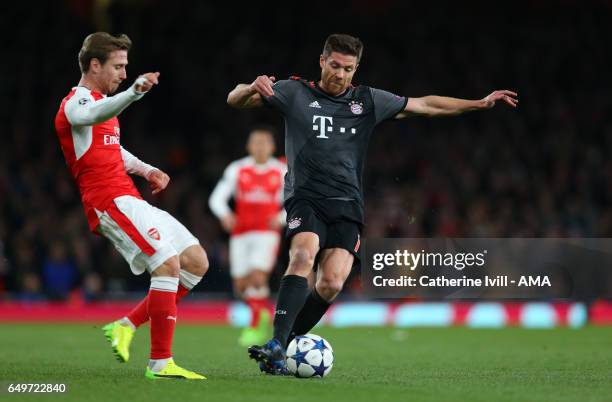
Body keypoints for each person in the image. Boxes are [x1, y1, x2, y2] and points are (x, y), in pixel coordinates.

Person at [227, 33, 518, 374]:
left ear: (356, 69)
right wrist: (250, 87)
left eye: (348, 68)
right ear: (322, 62)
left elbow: (424, 105)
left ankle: (284, 346)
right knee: (303, 254)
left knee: (332, 282)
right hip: (305, 198)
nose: (340, 74)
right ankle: (277, 343)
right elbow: (234, 100)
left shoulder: (366, 101)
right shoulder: (295, 92)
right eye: (334, 65)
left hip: (348, 204)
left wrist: (478, 103)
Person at [54, 32, 208, 380]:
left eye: (126, 68)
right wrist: (133, 93)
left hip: (129, 196)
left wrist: (147, 169)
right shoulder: (76, 104)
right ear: (95, 65)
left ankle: (126, 324)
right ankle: (160, 362)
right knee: (167, 265)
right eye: (118, 66)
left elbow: (113, 150)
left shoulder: (103, 107)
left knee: (196, 262)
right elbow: (92, 114)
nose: (124, 73)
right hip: (107, 201)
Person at [209, 127, 286, 347]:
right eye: (256, 143)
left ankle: (255, 325)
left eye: (265, 143)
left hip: (266, 232)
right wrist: (225, 215)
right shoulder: (237, 169)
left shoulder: (280, 171)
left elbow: (294, 200)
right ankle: (261, 313)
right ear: (249, 146)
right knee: (241, 286)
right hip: (240, 233)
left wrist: (281, 218)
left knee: (257, 277)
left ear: (272, 147)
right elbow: (217, 198)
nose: (260, 147)